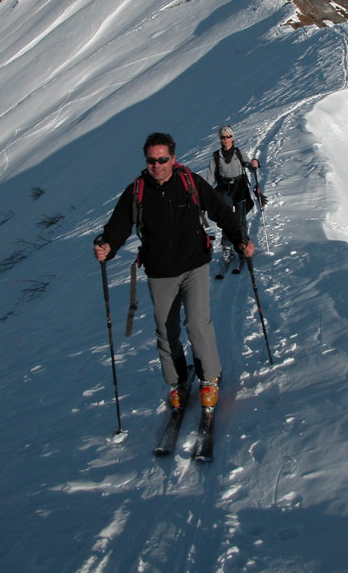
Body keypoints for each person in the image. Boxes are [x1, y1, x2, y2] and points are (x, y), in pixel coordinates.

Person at [94, 132, 254, 409]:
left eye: (162, 159)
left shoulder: (189, 181)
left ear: (173, 158)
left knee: (197, 323)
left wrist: (240, 238)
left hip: (194, 265)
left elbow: (220, 211)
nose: (157, 165)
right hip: (159, 272)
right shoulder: (136, 191)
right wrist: (107, 246)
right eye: (151, 160)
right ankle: (177, 382)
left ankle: (209, 378)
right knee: (166, 331)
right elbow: (119, 225)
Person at [206, 125, 260, 264]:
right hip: (224, 189)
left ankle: (243, 246)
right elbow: (211, 175)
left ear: (233, 137)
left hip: (239, 188)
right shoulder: (216, 156)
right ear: (220, 139)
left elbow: (249, 165)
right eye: (223, 137)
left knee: (241, 219)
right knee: (226, 219)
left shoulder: (239, 153)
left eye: (228, 136)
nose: (226, 139)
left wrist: (254, 164)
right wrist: (206, 192)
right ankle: (226, 248)